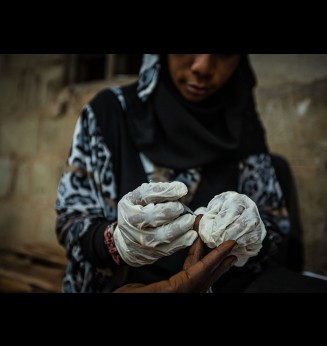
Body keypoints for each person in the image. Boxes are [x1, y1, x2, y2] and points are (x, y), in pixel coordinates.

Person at [54, 54, 290, 293]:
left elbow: (277, 231)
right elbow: (69, 222)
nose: (203, 67)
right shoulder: (108, 113)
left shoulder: (242, 124)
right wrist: (114, 241)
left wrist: (252, 235)